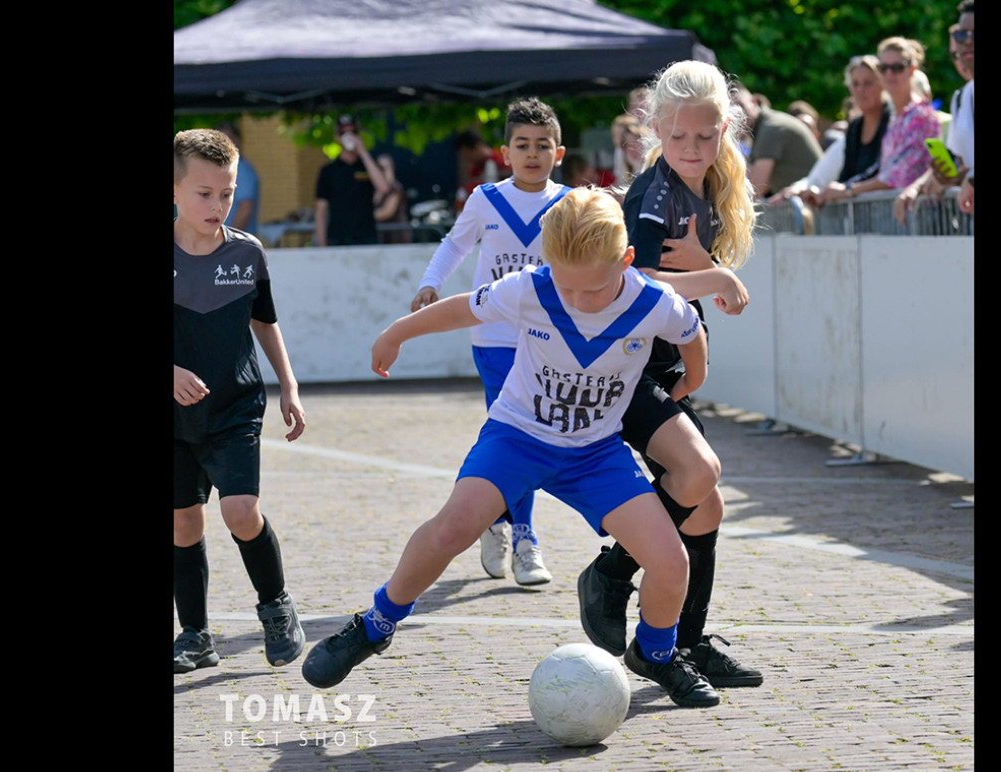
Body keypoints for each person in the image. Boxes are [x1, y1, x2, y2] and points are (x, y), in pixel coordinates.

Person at [302, 187, 722, 708]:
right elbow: (462, 310)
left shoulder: (654, 301)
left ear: (627, 260)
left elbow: (690, 331)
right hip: (518, 437)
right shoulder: (532, 287)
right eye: (567, 287)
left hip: (595, 453)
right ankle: (375, 623)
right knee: (453, 526)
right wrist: (398, 332)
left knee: (671, 562)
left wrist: (693, 378)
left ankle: (655, 655)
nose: (578, 300)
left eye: (592, 289)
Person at [577, 59, 764, 691]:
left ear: (725, 131)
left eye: (706, 137)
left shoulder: (708, 182)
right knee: (698, 475)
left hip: (660, 365)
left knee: (704, 507)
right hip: (624, 367)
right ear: (656, 128)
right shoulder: (651, 196)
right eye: (679, 137)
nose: (692, 148)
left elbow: (681, 281)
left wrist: (706, 271)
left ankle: (684, 645)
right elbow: (632, 282)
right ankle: (612, 573)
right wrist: (714, 276)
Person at [410, 97, 572, 587]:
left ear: (558, 154)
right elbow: (455, 243)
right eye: (522, 145)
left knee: (532, 431)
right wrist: (431, 281)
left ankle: (497, 520)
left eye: (543, 145)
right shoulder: (486, 199)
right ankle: (524, 536)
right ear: (505, 152)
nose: (532, 153)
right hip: (495, 336)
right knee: (516, 431)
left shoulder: (570, 204)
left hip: (546, 338)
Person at [173, 129, 308, 674]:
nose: (218, 204)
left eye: (226, 192)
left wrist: (289, 386)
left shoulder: (247, 252)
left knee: (240, 512)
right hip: (176, 418)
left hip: (235, 408)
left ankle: (277, 607)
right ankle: (195, 635)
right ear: (175, 189)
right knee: (184, 524)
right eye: (205, 193)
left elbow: (265, 321)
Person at [816, 37, 939, 205]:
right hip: (896, 216)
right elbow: (883, 170)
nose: (889, 74)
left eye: (897, 67)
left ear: (912, 70)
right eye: (883, 68)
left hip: (918, 216)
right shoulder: (897, 117)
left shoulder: (919, 116)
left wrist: (848, 190)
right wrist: (842, 188)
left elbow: (898, 176)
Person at [769, 54, 890, 208]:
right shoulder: (855, 128)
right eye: (855, 84)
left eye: (868, 83)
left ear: (882, 85)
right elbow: (842, 173)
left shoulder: (892, 122)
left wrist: (846, 189)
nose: (861, 90)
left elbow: (884, 171)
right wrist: (822, 191)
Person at [894, 2, 975, 223]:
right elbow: (959, 162)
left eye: (974, 34)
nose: (967, 40)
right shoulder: (962, 98)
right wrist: (917, 187)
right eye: (961, 34)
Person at [313, 114, 392, 247]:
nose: (348, 136)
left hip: (366, 238)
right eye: (343, 133)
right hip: (338, 239)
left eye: (353, 132)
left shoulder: (368, 165)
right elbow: (321, 210)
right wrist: (322, 245)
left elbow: (384, 188)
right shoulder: (328, 171)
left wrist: (362, 152)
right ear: (337, 137)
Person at [734, 83, 823, 199]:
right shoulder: (764, 128)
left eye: (740, 106)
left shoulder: (771, 128)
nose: (736, 116)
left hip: (818, 208)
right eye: (730, 111)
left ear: (754, 103)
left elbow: (754, 189)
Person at [215, 121, 260, 236]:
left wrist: (228, 241)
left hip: (235, 247)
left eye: (227, 139)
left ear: (236, 141)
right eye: (217, 140)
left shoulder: (241, 169)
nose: (221, 144)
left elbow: (245, 207)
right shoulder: (222, 169)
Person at [374, 153, 412, 244]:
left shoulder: (395, 188)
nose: (380, 172)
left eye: (383, 168)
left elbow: (386, 212)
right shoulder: (375, 190)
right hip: (382, 238)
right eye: (378, 168)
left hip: (397, 238)